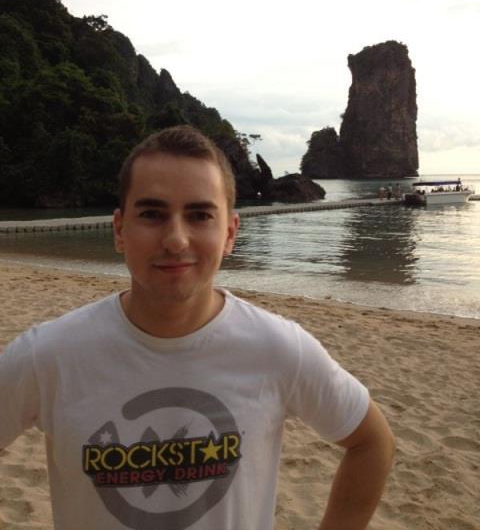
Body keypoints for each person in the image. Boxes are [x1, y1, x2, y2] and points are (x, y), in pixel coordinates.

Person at [0, 125, 395, 529]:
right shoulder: (49, 355)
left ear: (229, 234)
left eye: (199, 215)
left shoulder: (278, 349)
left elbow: (371, 442)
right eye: (152, 214)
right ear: (119, 230)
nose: (176, 240)